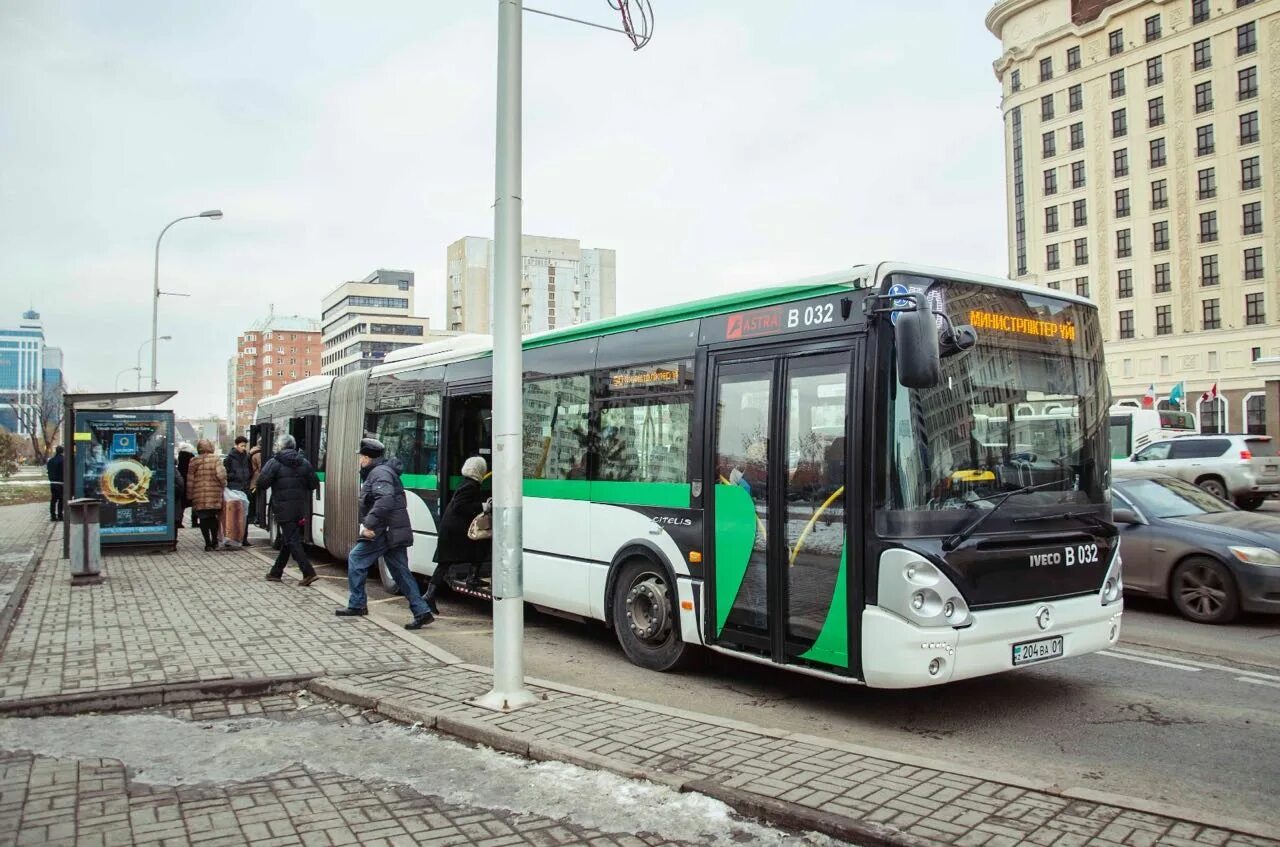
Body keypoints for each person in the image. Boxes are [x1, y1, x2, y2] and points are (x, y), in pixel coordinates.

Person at [336, 437, 433, 629]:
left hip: (383, 530)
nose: (359, 461)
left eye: (361, 457)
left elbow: (385, 500)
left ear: (366, 458)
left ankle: (357, 604)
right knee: (400, 572)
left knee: (356, 559)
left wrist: (369, 525)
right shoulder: (382, 471)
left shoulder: (379, 473)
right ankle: (422, 611)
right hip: (392, 530)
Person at [425, 456, 491, 613]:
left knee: (445, 563)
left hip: (452, 529)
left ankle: (430, 595)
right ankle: (471, 577)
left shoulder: (467, 482)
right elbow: (460, 506)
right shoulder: (470, 485)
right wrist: (483, 506)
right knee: (482, 544)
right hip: (455, 531)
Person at [255, 434, 319, 586]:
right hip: (299, 508)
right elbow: (313, 483)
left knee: (292, 540)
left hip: (282, 508)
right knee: (287, 539)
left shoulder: (274, 462)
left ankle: (308, 572)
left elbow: (262, 483)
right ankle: (275, 572)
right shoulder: (304, 462)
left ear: (280, 446)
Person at [186, 439, 226, 551]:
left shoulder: (193, 461)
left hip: (199, 495)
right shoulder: (215, 459)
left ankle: (207, 543)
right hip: (214, 494)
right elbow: (221, 475)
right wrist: (224, 485)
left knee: (203, 519)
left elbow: (190, 480)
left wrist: (190, 495)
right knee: (213, 518)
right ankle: (214, 541)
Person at [223, 435, 254, 546]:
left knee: (245, 515)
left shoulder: (247, 457)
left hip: (245, 488)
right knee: (234, 515)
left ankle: (244, 538)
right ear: (236, 445)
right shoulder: (229, 459)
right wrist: (235, 475)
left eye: (245, 446)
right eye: (242, 446)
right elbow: (225, 474)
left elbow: (250, 471)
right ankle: (231, 538)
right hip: (234, 489)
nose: (244, 448)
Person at [176, 443, 196, 528]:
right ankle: (194, 522)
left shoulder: (180, 456)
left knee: (181, 504)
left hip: (182, 480)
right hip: (191, 480)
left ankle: (179, 521)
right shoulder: (192, 457)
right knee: (194, 502)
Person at [46, 446, 64, 522]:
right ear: (62, 451)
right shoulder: (63, 460)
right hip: (60, 483)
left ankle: (53, 516)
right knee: (61, 499)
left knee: (53, 499)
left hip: (52, 482)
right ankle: (60, 515)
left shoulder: (50, 461)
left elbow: (48, 470)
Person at [248, 438, 263, 528]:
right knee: (258, 499)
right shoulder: (259, 454)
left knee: (255, 499)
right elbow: (262, 467)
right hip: (257, 480)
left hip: (252, 480)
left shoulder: (252, 452)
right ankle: (257, 516)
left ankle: (253, 516)